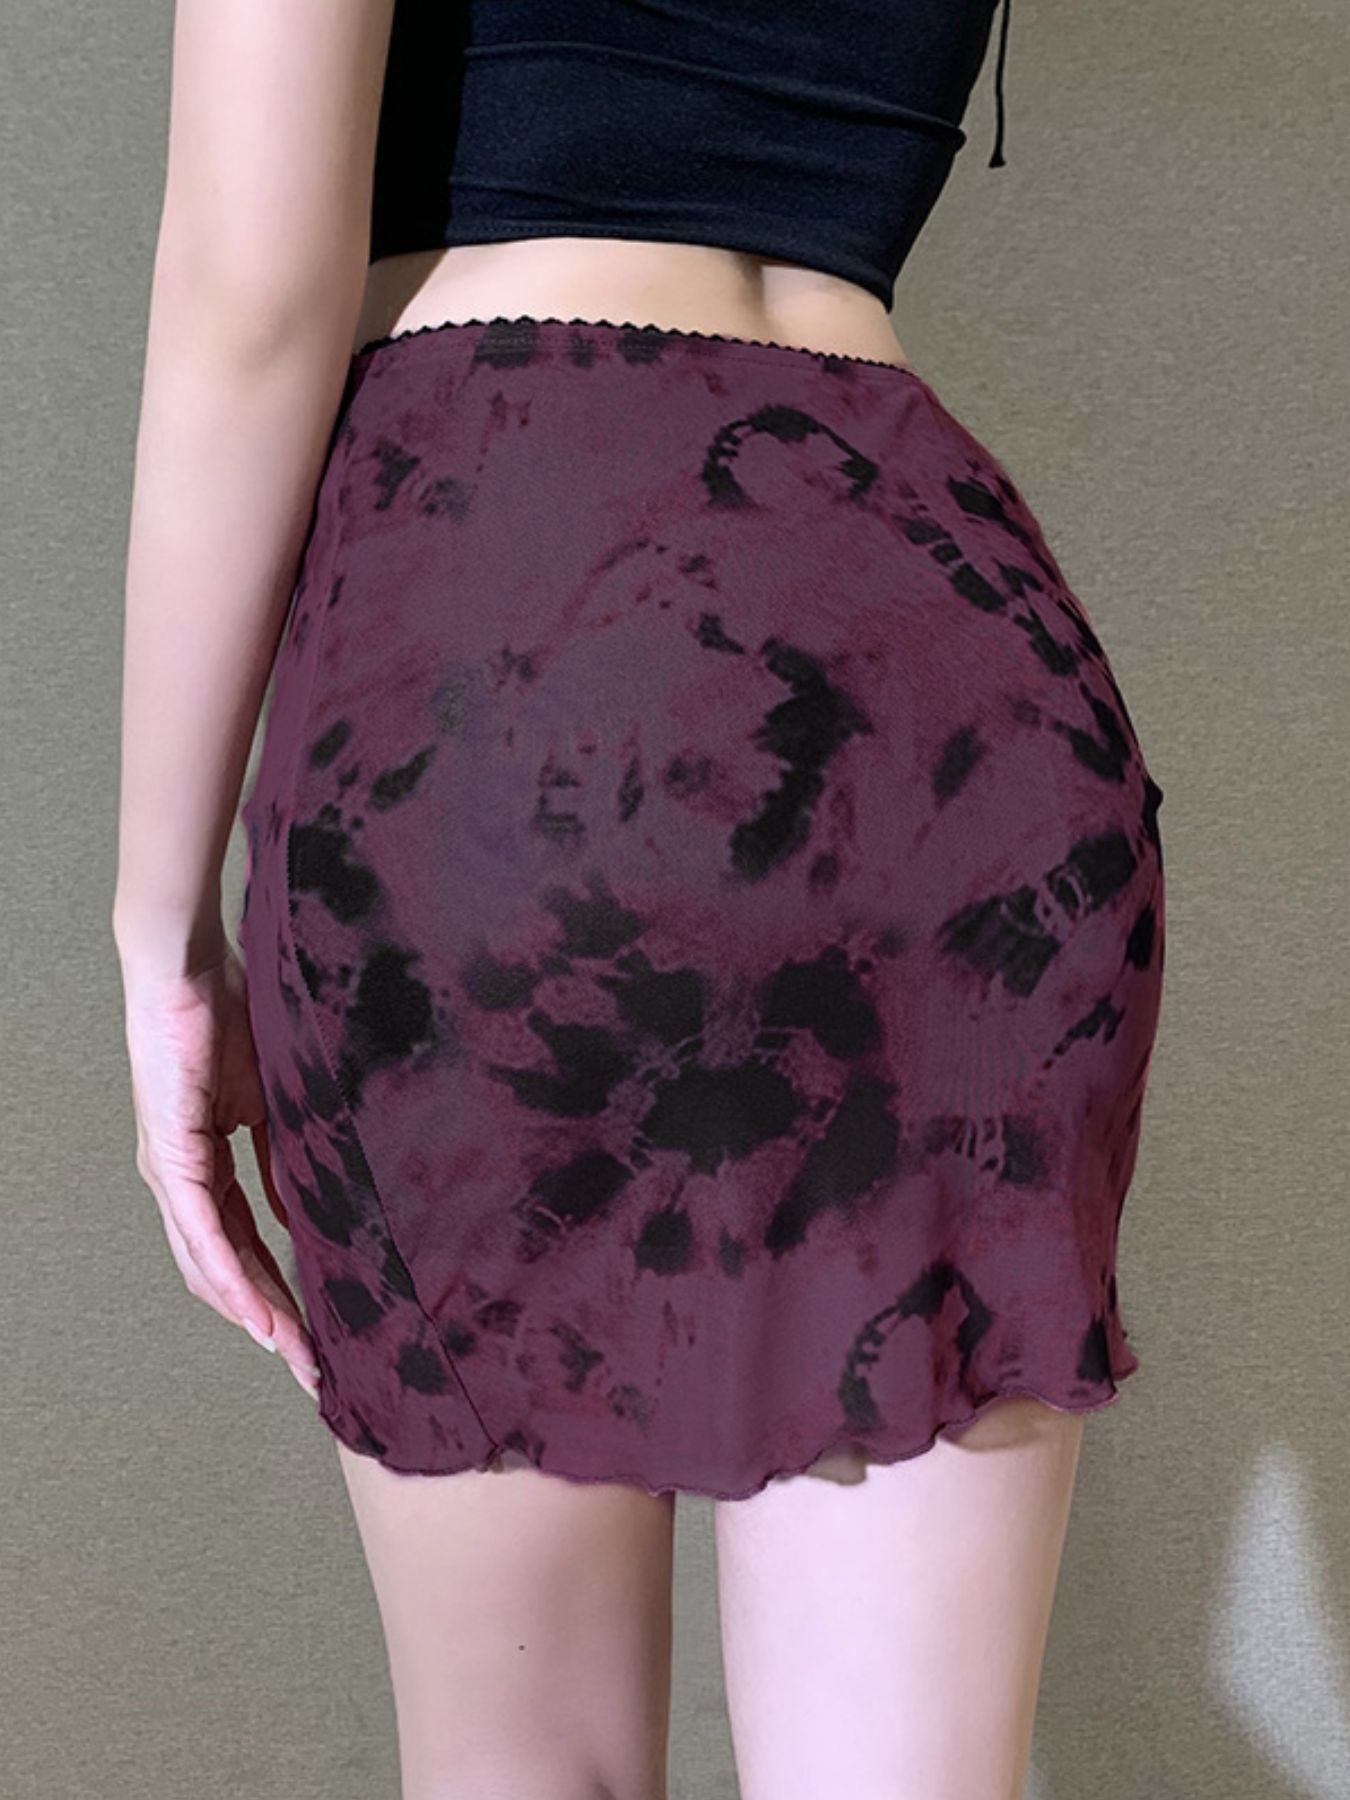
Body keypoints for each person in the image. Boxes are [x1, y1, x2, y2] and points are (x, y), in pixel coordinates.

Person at [112, 3, 1166, 1796]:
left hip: (507, 641)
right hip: (945, 678)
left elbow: (252, 285)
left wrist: (160, 928)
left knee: (528, 1762)